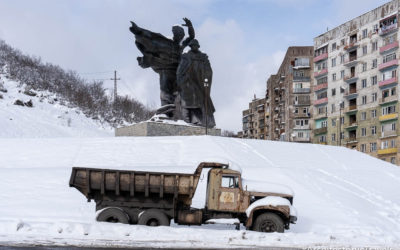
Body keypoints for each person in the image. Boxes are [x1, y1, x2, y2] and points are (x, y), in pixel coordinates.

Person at [129, 18, 195, 115]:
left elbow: (191, 37)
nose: (180, 37)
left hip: (177, 72)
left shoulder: (181, 46)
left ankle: (176, 113)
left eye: (181, 35)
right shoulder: (166, 43)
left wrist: (190, 26)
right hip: (166, 70)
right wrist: (138, 31)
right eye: (178, 34)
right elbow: (151, 37)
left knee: (177, 92)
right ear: (174, 34)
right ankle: (166, 112)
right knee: (165, 91)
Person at [177, 39, 215, 127]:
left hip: (201, 82)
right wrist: (181, 82)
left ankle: (204, 121)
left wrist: (206, 79)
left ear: (198, 46)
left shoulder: (203, 57)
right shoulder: (186, 56)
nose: (194, 47)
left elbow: (209, 70)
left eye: (195, 45)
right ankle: (190, 120)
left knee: (203, 101)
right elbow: (180, 71)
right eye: (192, 46)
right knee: (189, 101)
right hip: (188, 82)